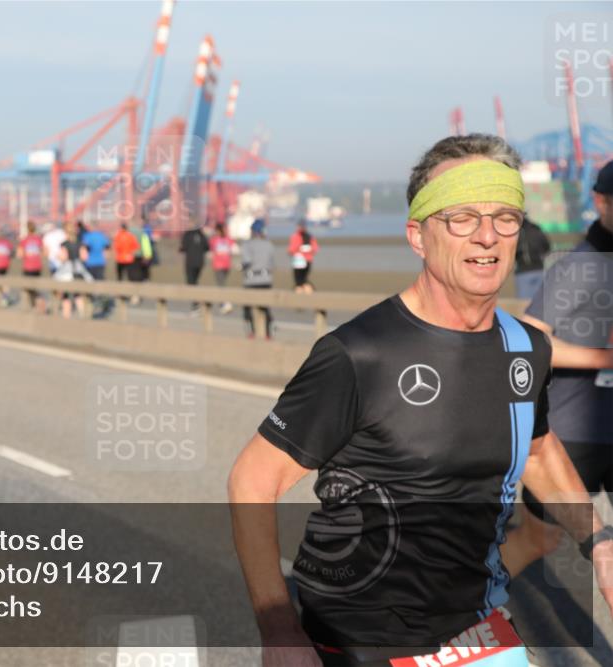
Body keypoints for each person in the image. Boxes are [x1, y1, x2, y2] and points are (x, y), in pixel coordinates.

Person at [229, 134, 613, 667]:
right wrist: (277, 628)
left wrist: (600, 543)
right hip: (360, 637)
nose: (487, 236)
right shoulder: (359, 353)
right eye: (461, 217)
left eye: (505, 216)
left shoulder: (526, 347)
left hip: (477, 626)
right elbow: (253, 478)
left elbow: (537, 449)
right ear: (418, 235)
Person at [502, 160, 613, 578]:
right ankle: (462, 617)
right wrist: (604, 358)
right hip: (573, 436)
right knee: (541, 539)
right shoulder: (577, 267)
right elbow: (528, 339)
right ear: (601, 202)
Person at [240, 219, 275, 338]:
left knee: (248, 308)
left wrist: (240, 267)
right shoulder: (269, 244)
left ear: (253, 231)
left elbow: (246, 261)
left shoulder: (247, 245)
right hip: (266, 280)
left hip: (251, 280)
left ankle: (251, 332)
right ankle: (268, 333)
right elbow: (271, 263)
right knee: (265, 307)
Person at [513, 217, 550, 299]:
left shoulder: (517, 232)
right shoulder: (537, 230)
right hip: (539, 269)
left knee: (524, 304)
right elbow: (547, 247)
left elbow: (513, 250)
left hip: (523, 271)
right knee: (540, 302)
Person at [180, 220, 210, 312]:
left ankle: (195, 304)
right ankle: (196, 303)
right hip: (200, 262)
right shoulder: (202, 235)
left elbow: (183, 247)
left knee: (191, 282)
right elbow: (207, 247)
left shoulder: (187, 234)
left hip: (190, 262)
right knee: (195, 281)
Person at [18, 221, 46, 313]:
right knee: (36, 286)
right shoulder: (38, 239)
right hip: (37, 266)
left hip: (28, 267)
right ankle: (39, 304)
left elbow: (20, 254)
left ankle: (34, 306)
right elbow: (44, 252)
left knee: (28, 288)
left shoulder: (24, 240)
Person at [209, 223, 236, 313]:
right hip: (219, 265)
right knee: (221, 284)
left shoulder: (219, 239)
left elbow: (234, 249)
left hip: (224, 265)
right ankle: (223, 303)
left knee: (221, 285)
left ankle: (225, 303)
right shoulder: (222, 239)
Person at [288, 220, 319, 294]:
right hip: (308, 261)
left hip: (299, 261)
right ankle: (309, 295)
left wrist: (299, 250)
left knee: (299, 281)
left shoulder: (295, 236)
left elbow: (291, 250)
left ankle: (300, 299)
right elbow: (315, 248)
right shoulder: (310, 236)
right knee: (304, 279)